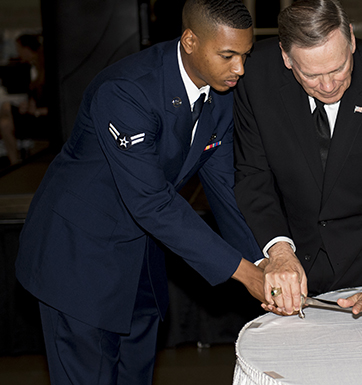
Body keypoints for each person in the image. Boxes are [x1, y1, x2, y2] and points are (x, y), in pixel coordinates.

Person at [15, 1, 263, 383]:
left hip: (141, 261)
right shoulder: (127, 91)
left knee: (136, 375)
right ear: (190, 40)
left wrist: (263, 261)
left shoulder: (221, 94)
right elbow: (153, 201)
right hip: (80, 257)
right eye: (228, 55)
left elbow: (225, 187)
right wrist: (245, 273)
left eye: (245, 55)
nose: (239, 69)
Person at [233, 0, 362, 321]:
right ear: (287, 58)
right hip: (287, 257)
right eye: (312, 75)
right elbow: (252, 175)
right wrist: (279, 252)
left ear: (351, 40)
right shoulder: (256, 76)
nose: (328, 86)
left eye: (339, 68)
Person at [0, 34, 48, 165]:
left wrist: (36, 110)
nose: (18, 53)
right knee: (5, 119)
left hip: (43, 118)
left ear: (27, 49)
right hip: (36, 113)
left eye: (19, 49)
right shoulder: (35, 68)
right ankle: (15, 162)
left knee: (5, 118)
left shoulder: (44, 69)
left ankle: (14, 161)